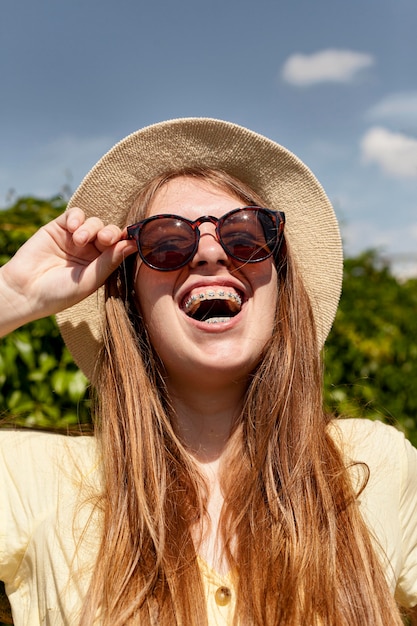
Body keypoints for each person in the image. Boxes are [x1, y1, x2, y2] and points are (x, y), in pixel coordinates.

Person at [0, 117, 416, 626]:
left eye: (245, 234)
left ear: (280, 285)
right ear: (130, 299)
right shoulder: (34, 480)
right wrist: (11, 297)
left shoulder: (377, 466)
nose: (211, 251)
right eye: (165, 242)